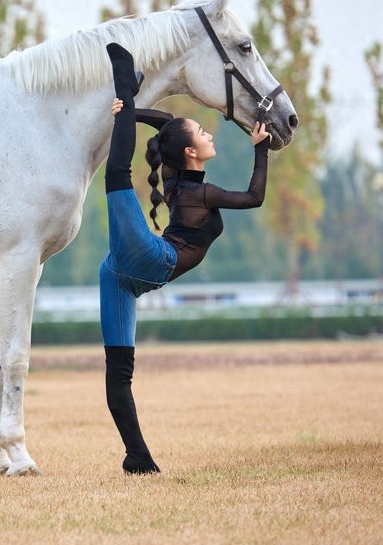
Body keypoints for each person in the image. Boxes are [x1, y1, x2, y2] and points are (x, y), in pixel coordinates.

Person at [101, 42, 270, 474]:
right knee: (117, 174)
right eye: (201, 131)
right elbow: (253, 197)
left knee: (120, 371)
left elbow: (167, 127)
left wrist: (134, 112)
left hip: (124, 276)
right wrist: (260, 148)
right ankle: (121, 78)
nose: (208, 133)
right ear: (190, 151)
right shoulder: (199, 190)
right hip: (150, 259)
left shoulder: (181, 180)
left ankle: (137, 458)